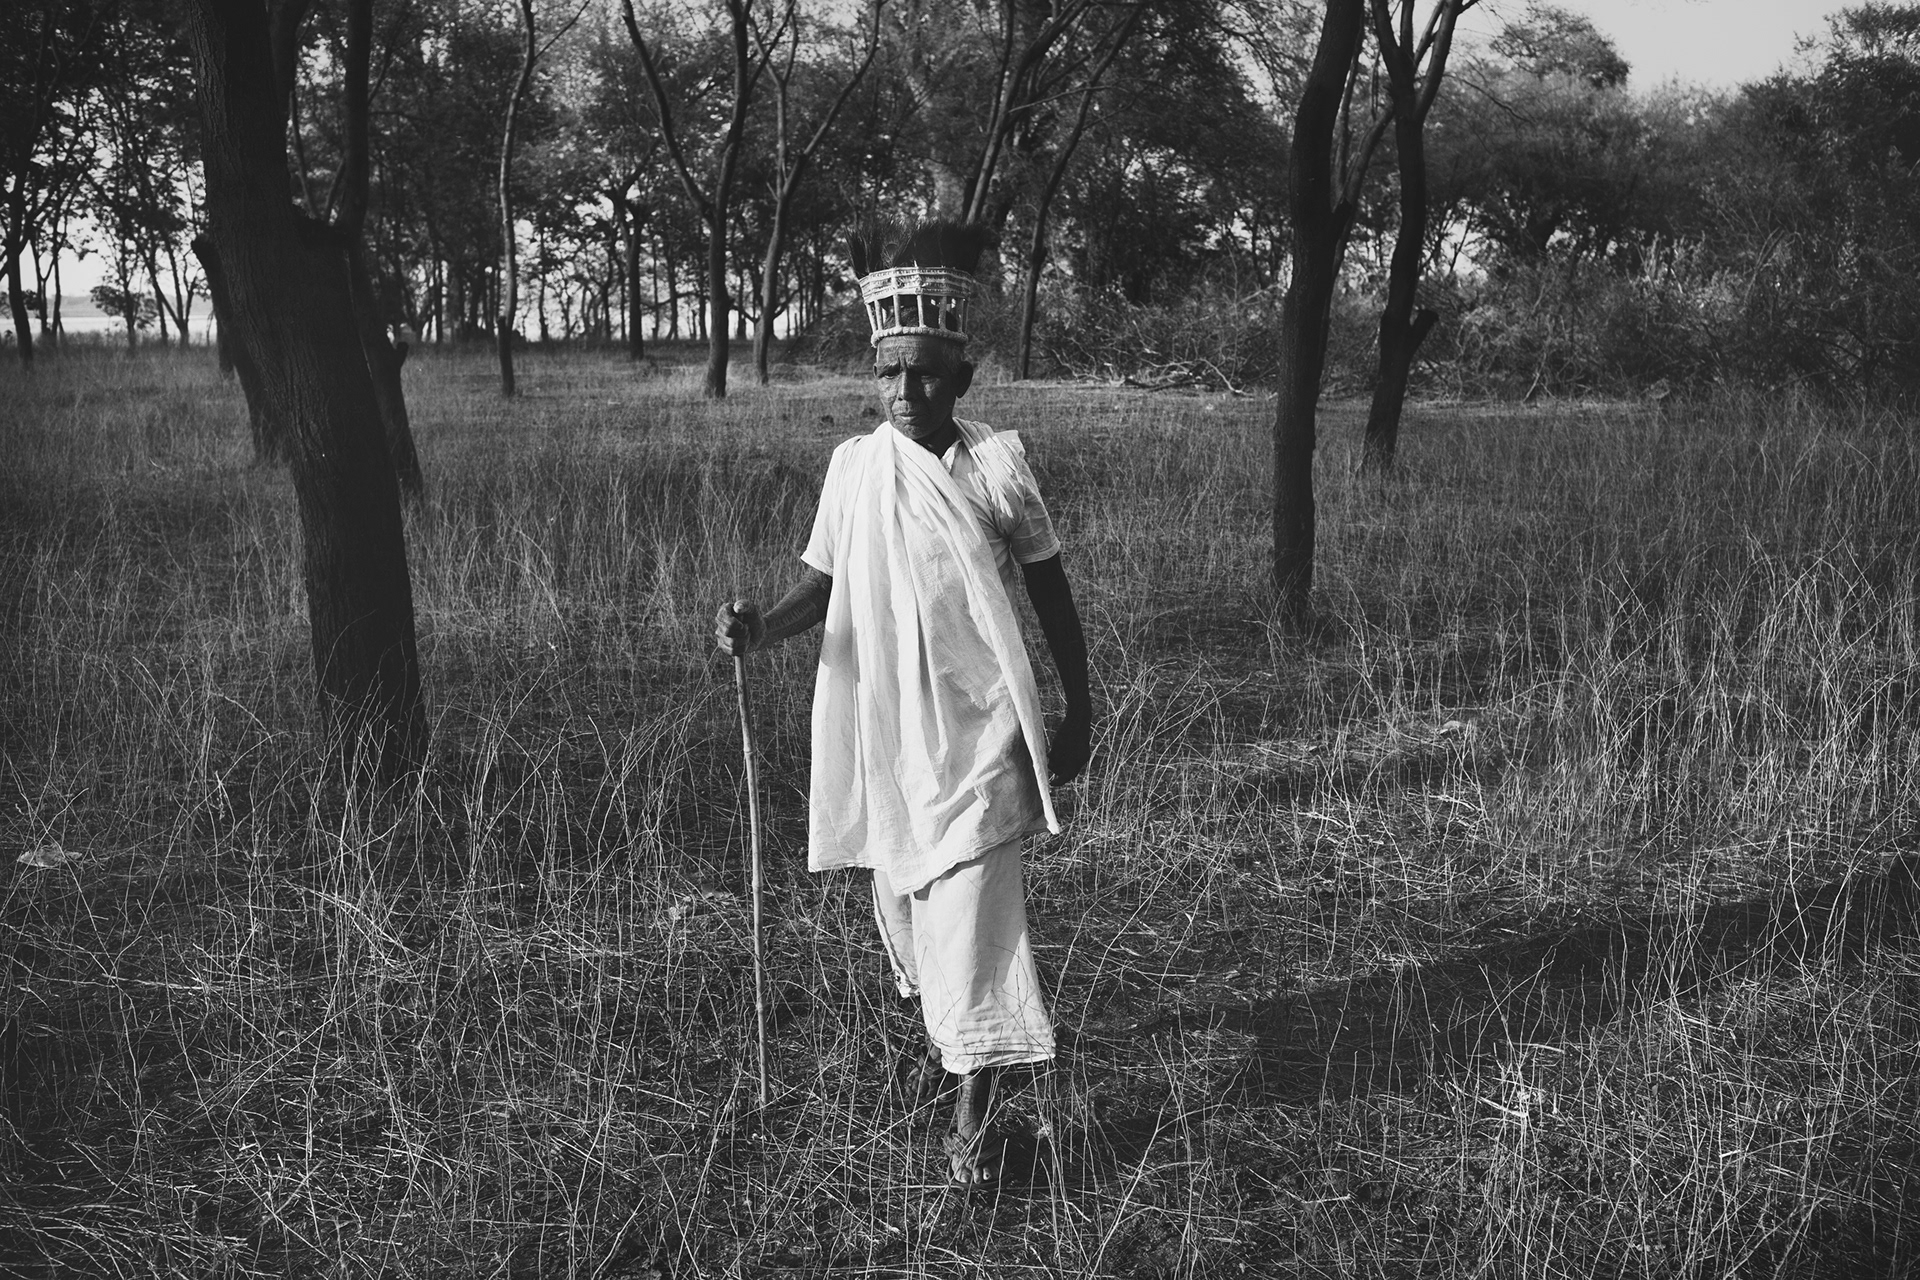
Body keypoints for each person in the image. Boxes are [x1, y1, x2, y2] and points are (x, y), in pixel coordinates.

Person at [712, 221, 1092, 1186]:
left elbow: (1050, 592)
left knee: (972, 908)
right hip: (887, 726)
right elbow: (823, 584)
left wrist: (1078, 705)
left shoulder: (997, 466)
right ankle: (958, 1045)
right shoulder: (855, 466)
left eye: (925, 374)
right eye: (889, 372)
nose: (905, 391)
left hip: (984, 725)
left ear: (963, 377)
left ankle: (972, 1109)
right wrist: (760, 628)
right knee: (907, 901)